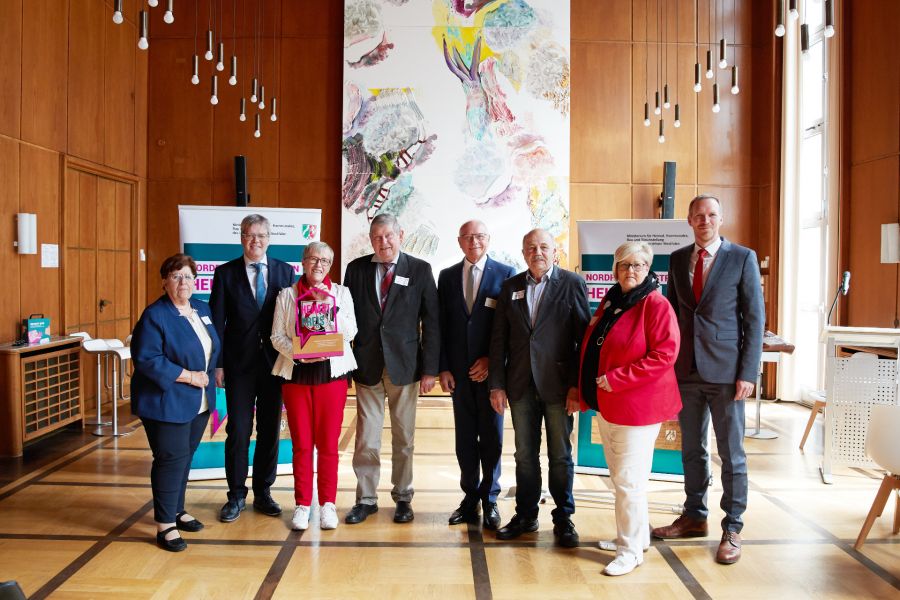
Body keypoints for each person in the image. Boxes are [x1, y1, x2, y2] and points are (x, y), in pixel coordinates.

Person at [651, 195, 764, 565]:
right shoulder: (678, 258)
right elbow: (670, 315)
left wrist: (748, 372)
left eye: (712, 214)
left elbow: (754, 320)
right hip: (686, 371)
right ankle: (695, 516)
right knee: (691, 450)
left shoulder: (742, 258)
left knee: (731, 453)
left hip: (727, 374)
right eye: (698, 215)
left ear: (721, 217)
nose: (705, 221)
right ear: (689, 220)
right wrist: (666, 364)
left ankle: (732, 526)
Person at [577, 241, 682, 576]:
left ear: (648, 269)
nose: (630, 271)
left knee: (628, 482)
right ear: (615, 268)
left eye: (638, 265)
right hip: (610, 404)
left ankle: (630, 550)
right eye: (624, 265)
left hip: (636, 407)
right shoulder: (614, 300)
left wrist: (619, 378)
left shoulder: (656, 304)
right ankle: (637, 537)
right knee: (624, 479)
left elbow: (665, 355)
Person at [488, 228, 590, 547]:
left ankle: (563, 517)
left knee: (560, 455)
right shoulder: (511, 287)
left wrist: (576, 386)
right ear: (523, 253)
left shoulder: (572, 284)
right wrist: (496, 385)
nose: (538, 252)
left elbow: (582, 342)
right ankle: (526, 515)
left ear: (554, 251)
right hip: (519, 386)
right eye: (531, 247)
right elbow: (499, 340)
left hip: (559, 387)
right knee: (525, 455)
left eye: (544, 246)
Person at [343, 213, 440, 525]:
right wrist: (344, 363)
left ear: (401, 234)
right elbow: (345, 320)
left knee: (404, 438)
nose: (383, 243)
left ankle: (403, 497)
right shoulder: (355, 269)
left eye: (388, 236)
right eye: (376, 237)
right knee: (366, 438)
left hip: (406, 367)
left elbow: (432, 323)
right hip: (367, 366)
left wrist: (430, 369)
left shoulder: (421, 270)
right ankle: (366, 499)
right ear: (370, 240)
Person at [131, 253, 220, 552]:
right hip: (166, 400)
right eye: (177, 276)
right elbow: (148, 360)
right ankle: (165, 525)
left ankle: (177, 510)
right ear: (164, 282)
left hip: (198, 401)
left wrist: (206, 376)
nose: (184, 282)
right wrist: (190, 377)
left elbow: (211, 348)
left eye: (189, 276)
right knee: (170, 459)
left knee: (185, 456)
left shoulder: (201, 308)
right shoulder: (155, 315)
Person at [209, 214, 295, 523]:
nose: (254, 240)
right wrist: (217, 364)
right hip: (238, 365)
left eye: (260, 235)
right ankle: (235, 495)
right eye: (248, 235)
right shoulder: (225, 274)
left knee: (270, 430)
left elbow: (293, 321)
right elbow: (217, 323)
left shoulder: (286, 272)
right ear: (241, 238)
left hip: (275, 365)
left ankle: (263, 492)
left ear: (269, 238)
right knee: (239, 431)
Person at [270, 241, 358, 531]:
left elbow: (351, 331)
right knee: (302, 445)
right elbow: (276, 337)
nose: (318, 265)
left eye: (325, 261)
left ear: (330, 266)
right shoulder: (287, 295)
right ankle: (303, 504)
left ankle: (328, 504)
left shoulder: (341, 293)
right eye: (312, 259)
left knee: (329, 445)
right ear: (303, 262)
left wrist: (327, 304)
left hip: (331, 376)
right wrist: (300, 353)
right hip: (297, 376)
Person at [438, 220, 516, 529]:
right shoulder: (445, 277)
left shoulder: (507, 274)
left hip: (491, 376)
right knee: (465, 440)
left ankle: (491, 498)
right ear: (459, 242)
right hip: (457, 374)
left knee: (492, 439)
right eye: (468, 237)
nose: (474, 242)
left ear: (489, 239)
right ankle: (470, 498)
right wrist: (443, 366)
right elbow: (440, 325)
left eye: (480, 236)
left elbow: (511, 328)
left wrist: (493, 362)